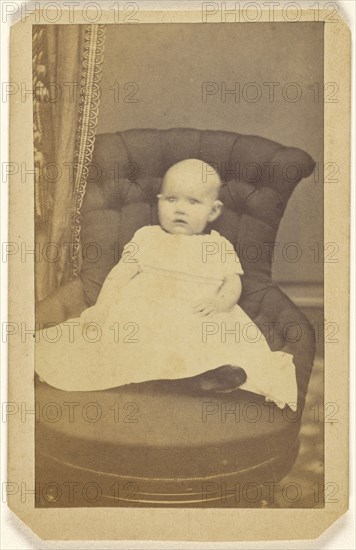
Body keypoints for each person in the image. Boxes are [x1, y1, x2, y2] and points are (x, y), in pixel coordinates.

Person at [35, 159, 298, 410]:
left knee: (214, 339)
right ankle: (170, 379)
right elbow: (119, 274)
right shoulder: (147, 237)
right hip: (149, 313)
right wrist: (103, 308)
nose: (180, 209)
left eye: (193, 201)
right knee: (128, 339)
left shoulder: (217, 246)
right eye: (172, 199)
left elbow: (233, 283)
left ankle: (201, 376)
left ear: (213, 210)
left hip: (198, 312)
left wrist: (220, 303)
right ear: (159, 202)